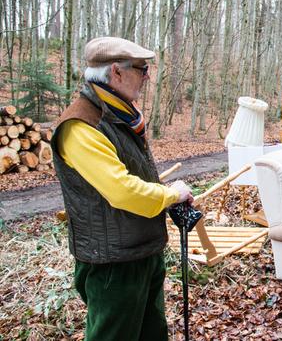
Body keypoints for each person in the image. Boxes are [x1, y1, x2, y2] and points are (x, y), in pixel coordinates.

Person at [51, 37, 193, 340]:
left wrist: (166, 199)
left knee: (151, 334)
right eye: (142, 69)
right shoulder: (81, 125)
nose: (147, 77)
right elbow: (122, 191)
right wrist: (171, 194)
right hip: (113, 265)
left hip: (142, 252)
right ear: (116, 72)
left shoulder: (121, 116)